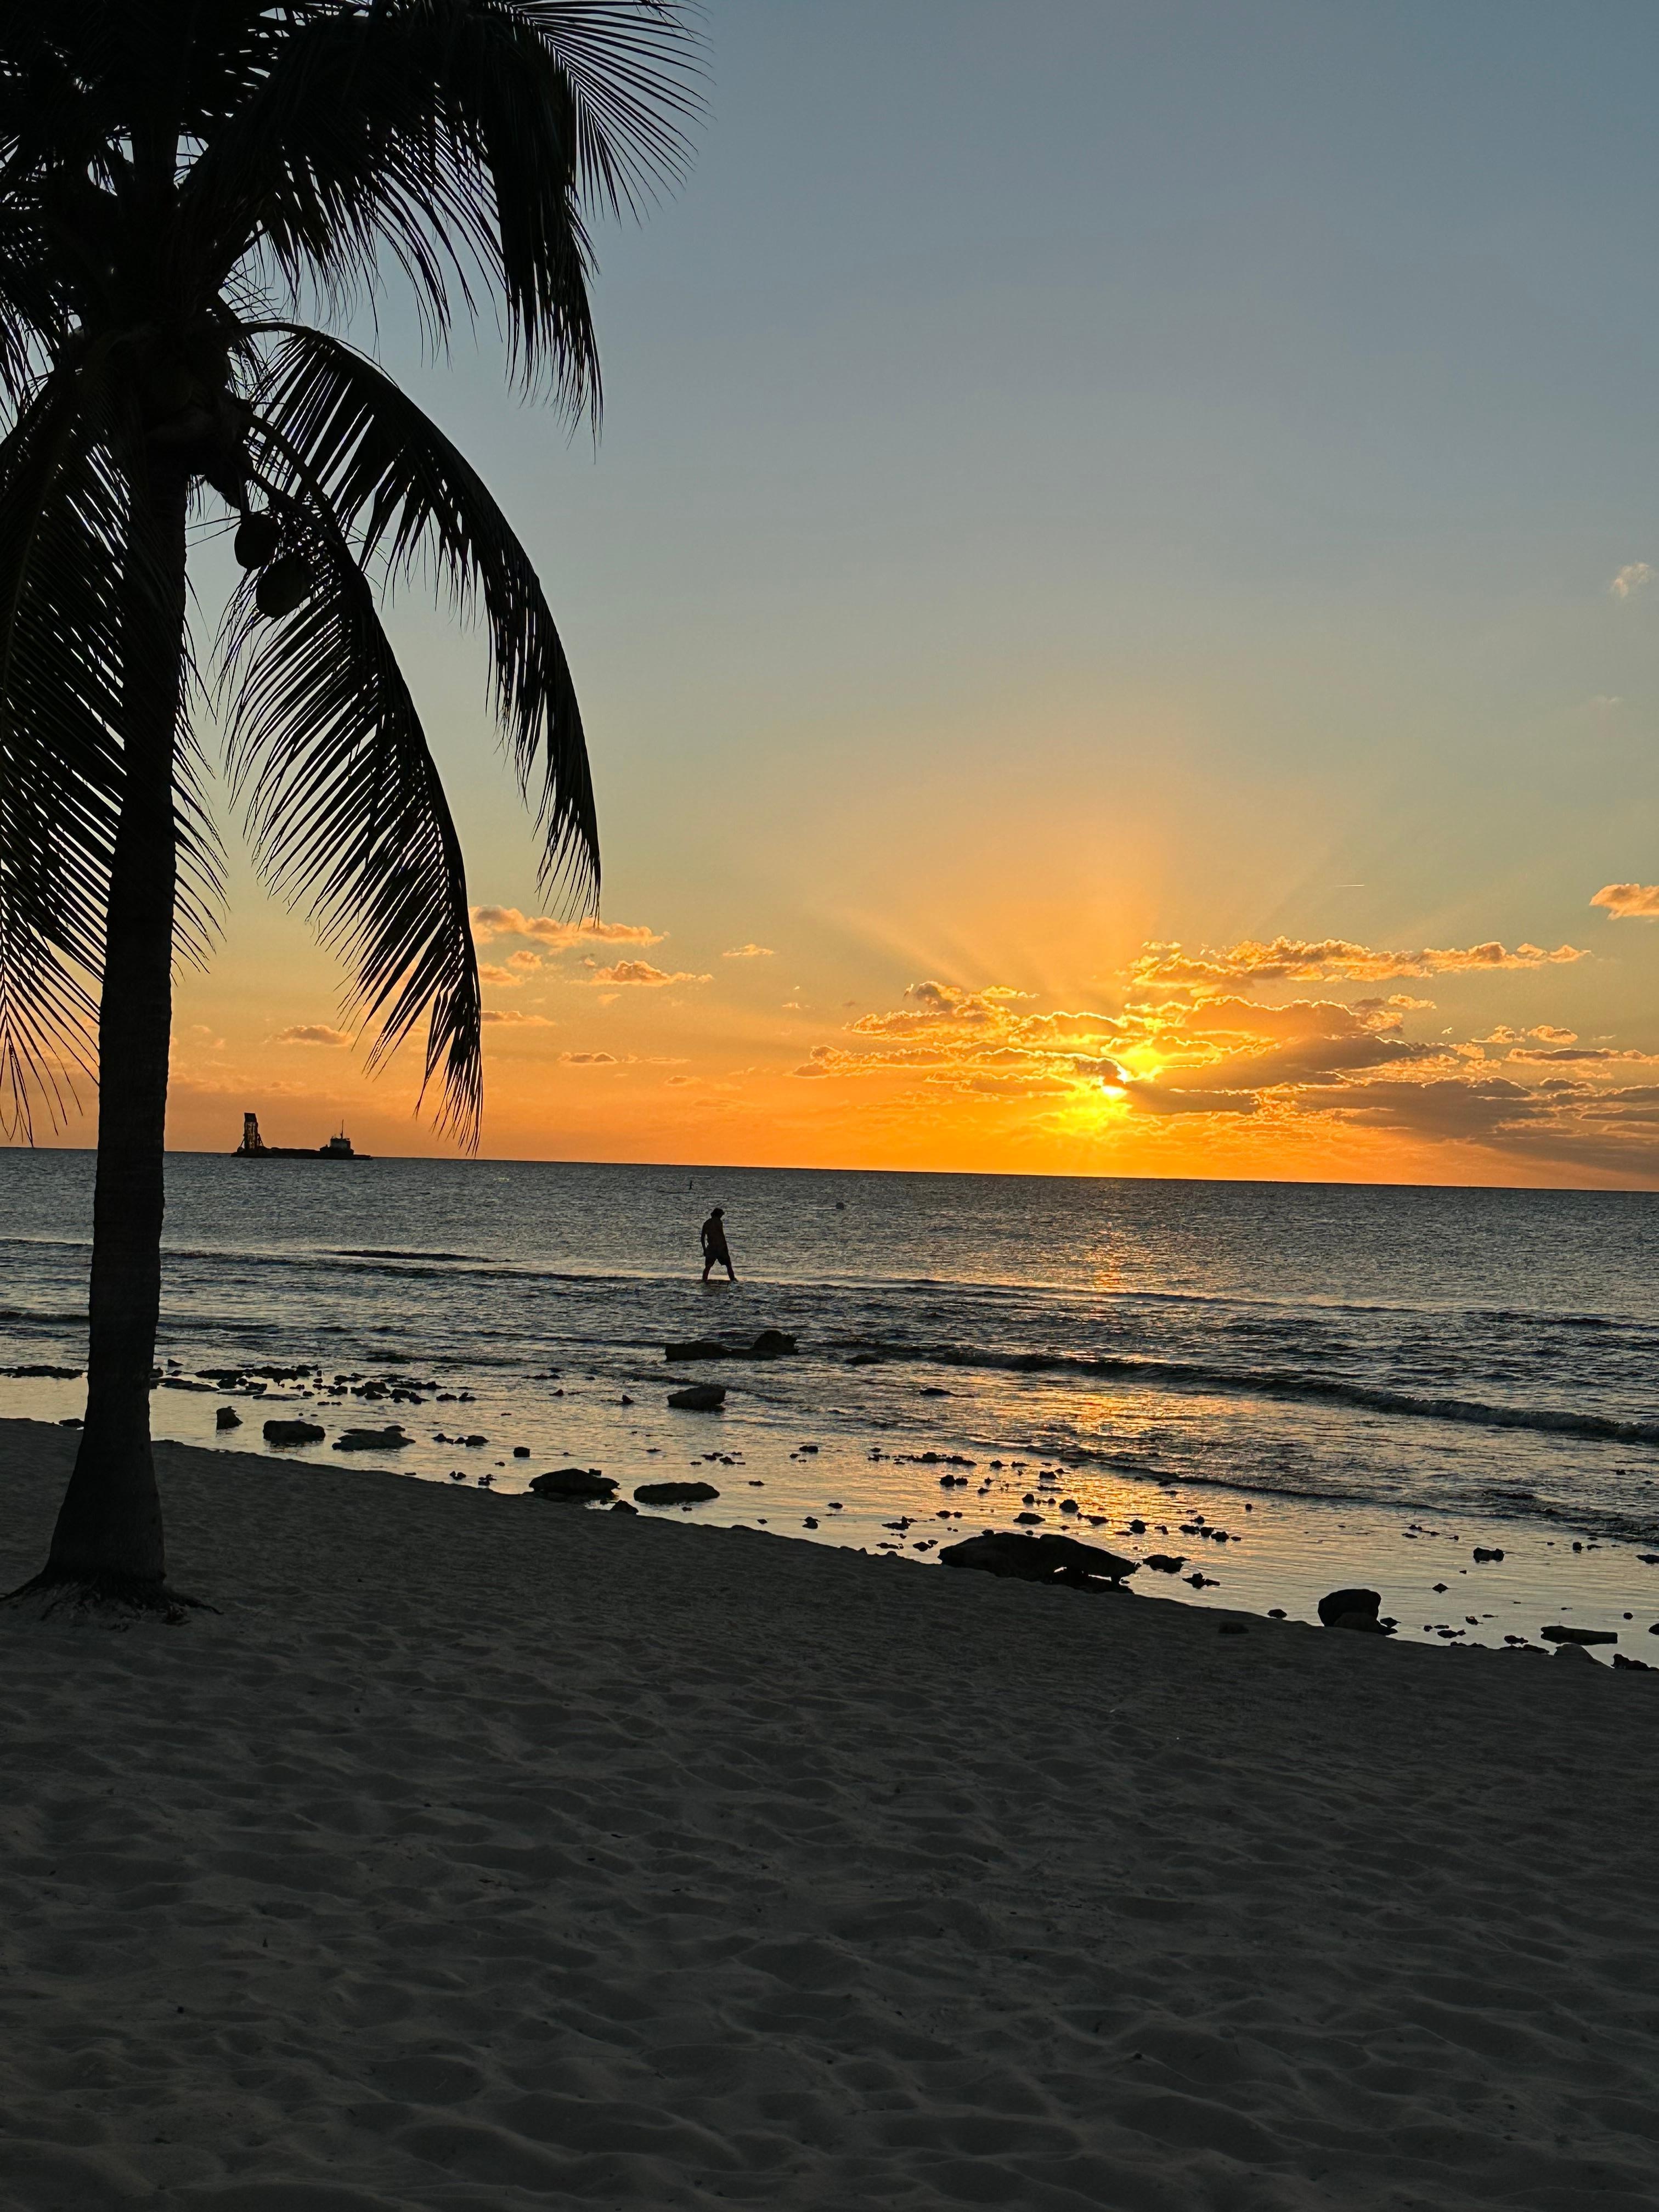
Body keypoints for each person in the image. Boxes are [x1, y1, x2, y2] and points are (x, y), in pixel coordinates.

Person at [700, 1205, 736, 1282]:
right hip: (720, 1247)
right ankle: (733, 1279)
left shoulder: (707, 1223)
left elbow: (702, 1238)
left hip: (711, 1248)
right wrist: (725, 1247)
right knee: (728, 1265)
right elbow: (721, 1236)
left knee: (708, 1266)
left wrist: (704, 1249)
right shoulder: (719, 1222)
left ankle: (704, 1280)